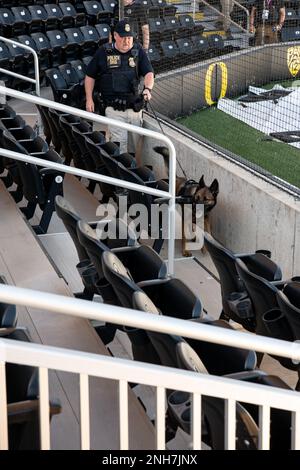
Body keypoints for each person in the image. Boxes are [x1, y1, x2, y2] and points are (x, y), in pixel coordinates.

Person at [84, 20, 154, 154]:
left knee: (134, 148)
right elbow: (90, 76)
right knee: (120, 147)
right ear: (115, 35)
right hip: (113, 109)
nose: (127, 41)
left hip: (134, 108)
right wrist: (89, 99)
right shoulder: (104, 51)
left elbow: (149, 73)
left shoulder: (138, 50)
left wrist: (147, 89)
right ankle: (120, 174)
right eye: (123, 37)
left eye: (129, 38)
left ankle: (130, 172)